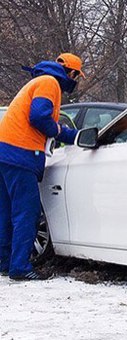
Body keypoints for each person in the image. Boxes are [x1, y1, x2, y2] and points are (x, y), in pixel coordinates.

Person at [0, 53, 84, 280]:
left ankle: (6, 262)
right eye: (77, 76)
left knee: (6, 212)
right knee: (27, 212)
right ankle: (20, 267)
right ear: (72, 73)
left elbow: (43, 123)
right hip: (21, 155)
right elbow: (39, 117)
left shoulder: (38, 81)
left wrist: (72, 135)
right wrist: (58, 131)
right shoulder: (50, 83)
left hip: (5, 154)